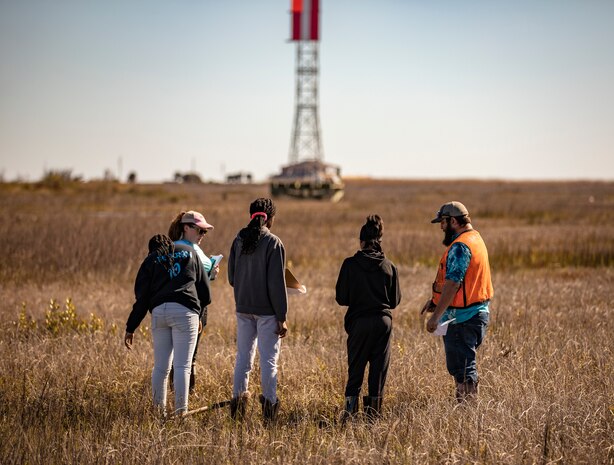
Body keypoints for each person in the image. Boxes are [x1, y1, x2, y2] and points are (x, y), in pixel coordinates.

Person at [124, 234, 211, 416]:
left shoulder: (150, 260)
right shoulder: (189, 252)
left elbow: (142, 300)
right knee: (182, 367)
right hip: (186, 312)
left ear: (152, 249)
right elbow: (205, 291)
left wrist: (131, 328)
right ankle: (181, 414)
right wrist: (200, 315)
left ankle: (158, 413)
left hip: (159, 313)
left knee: (161, 367)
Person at [421, 201, 493, 402]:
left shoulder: (460, 246)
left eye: (443, 222)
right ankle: (464, 409)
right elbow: (464, 285)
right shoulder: (475, 239)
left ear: (453, 221)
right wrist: (436, 302)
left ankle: (467, 413)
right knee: (463, 365)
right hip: (476, 313)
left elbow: (453, 283)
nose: (441, 227)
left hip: (463, 319)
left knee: (463, 368)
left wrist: (435, 317)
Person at [335, 215, 402, 421]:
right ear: (379, 241)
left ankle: (349, 415)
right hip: (383, 323)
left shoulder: (349, 264)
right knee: (378, 371)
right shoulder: (389, 266)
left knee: (355, 369)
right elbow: (394, 301)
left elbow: (341, 298)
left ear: (361, 242)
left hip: (359, 323)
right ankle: (373, 417)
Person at [228, 198, 288, 423]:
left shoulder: (238, 239)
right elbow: (276, 284)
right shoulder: (274, 242)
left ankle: (237, 410)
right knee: (269, 361)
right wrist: (282, 316)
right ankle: (269, 413)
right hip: (267, 312)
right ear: (270, 218)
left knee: (243, 359)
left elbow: (232, 277)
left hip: (243, 308)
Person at [167, 210, 217, 392]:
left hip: (166, 308)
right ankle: (187, 396)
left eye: (205, 232)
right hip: (193, 309)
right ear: (186, 227)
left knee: (169, 357)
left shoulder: (170, 247)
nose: (203, 235)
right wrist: (212, 271)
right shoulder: (193, 250)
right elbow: (204, 271)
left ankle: (167, 395)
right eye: (200, 231)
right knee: (189, 358)